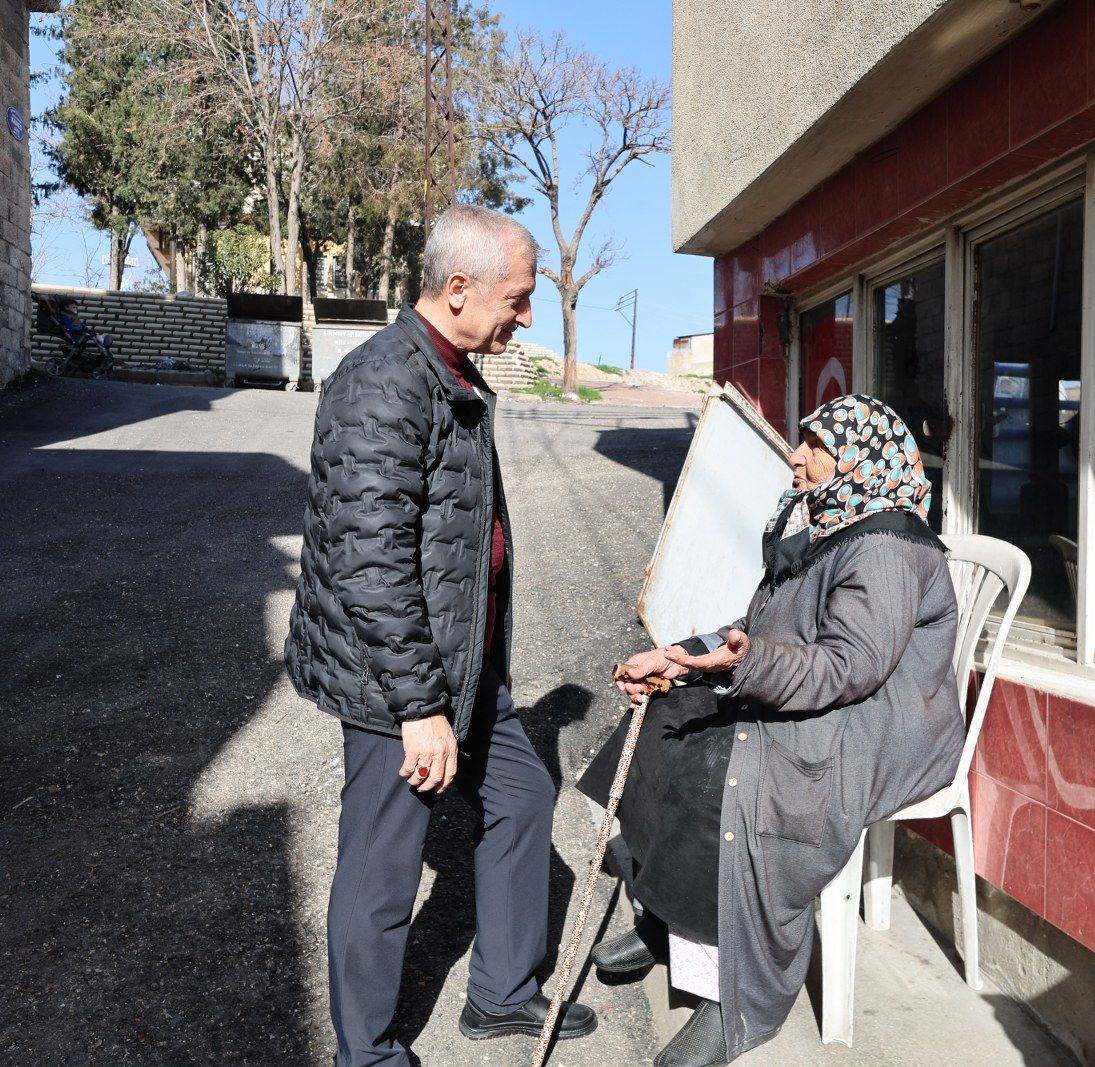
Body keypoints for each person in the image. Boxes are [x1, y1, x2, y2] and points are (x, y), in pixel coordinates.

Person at [284, 204, 596, 1066]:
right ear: (459, 288)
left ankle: (500, 992)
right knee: (383, 864)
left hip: (457, 662)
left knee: (522, 796)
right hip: (395, 676)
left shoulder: (448, 369)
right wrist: (421, 708)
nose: (524, 316)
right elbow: (370, 563)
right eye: (517, 298)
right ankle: (367, 1053)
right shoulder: (385, 382)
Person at [583, 395, 965, 1066]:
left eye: (815, 445)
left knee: (724, 778)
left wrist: (744, 663)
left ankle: (727, 990)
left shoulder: (885, 546)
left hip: (871, 725)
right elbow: (751, 628)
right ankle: (666, 912)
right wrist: (676, 658)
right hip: (824, 699)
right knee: (669, 718)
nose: (796, 454)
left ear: (858, 459)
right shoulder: (833, 525)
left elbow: (849, 668)